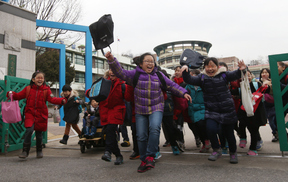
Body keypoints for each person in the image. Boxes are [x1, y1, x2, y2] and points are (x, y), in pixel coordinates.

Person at [105, 52, 191, 173]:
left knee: (155, 128)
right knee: (141, 136)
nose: (150, 63)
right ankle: (144, 160)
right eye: (147, 61)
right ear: (140, 64)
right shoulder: (134, 74)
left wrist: (184, 92)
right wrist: (111, 59)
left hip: (156, 107)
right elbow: (120, 73)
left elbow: (171, 85)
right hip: (140, 109)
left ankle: (150, 156)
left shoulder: (159, 75)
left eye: (152, 61)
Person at [181, 57, 247, 164]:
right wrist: (185, 70)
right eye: (207, 66)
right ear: (204, 67)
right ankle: (216, 150)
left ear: (217, 67)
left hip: (227, 110)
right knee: (210, 129)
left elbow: (237, 74)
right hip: (212, 110)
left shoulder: (224, 75)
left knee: (229, 134)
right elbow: (189, 80)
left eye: (212, 66)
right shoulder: (202, 78)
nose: (210, 68)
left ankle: (233, 153)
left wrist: (243, 69)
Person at [7, 71, 66, 159]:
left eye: (42, 78)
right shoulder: (28, 89)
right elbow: (18, 96)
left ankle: (39, 150)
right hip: (30, 114)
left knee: (39, 133)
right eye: (38, 78)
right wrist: (10, 93)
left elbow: (52, 99)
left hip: (41, 114)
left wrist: (62, 100)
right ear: (33, 79)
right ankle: (25, 151)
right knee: (29, 130)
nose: (40, 79)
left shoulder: (46, 89)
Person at [96, 68, 132, 165]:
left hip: (116, 111)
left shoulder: (123, 84)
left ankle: (107, 152)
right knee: (109, 133)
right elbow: (90, 91)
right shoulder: (102, 82)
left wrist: (129, 85)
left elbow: (128, 98)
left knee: (110, 130)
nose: (112, 72)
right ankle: (118, 155)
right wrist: (92, 99)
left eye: (114, 70)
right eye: (111, 69)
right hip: (104, 112)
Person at [236, 70, 267, 155]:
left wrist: (265, 84)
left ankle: (253, 149)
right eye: (244, 76)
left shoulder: (257, 85)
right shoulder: (240, 87)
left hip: (255, 112)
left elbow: (266, 90)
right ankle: (243, 138)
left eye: (249, 76)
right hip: (244, 111)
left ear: (252, 76)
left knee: (254, 130)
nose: (247, 78)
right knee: (241, 124)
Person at [173, 66, 201, 149]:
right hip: (177, 108)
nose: (177, 72)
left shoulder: (187, 82)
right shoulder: (172, 82)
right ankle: (181, 142)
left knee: (192, 125)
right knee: (178, 126)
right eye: (176, 70)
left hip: (187, 107)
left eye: (179, 70)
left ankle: (197, 137)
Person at [186, 69, 211, 153]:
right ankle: (205, 143)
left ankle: (207, 141)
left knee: (202, 124)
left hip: (202, 108)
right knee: (196, 128)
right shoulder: (188, 86)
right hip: (192, 109)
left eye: (192, 75)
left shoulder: (204, 85)